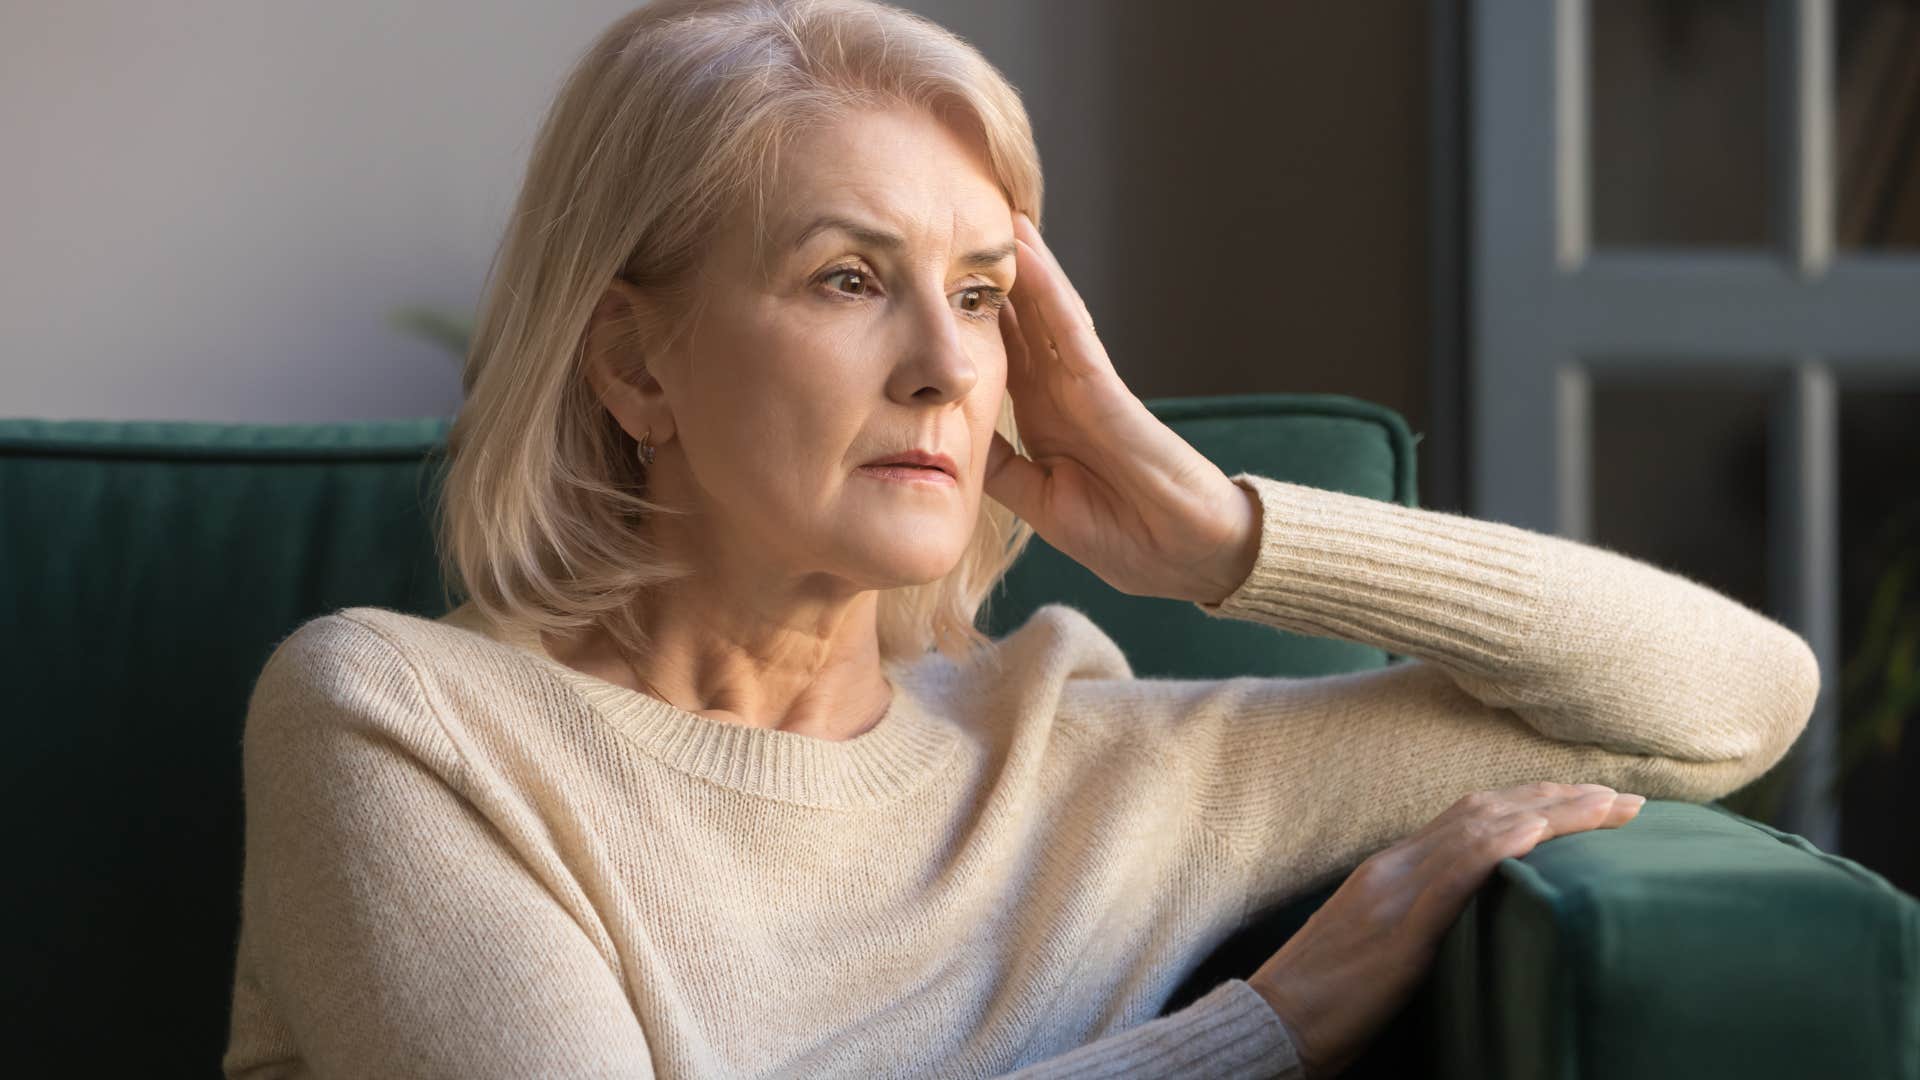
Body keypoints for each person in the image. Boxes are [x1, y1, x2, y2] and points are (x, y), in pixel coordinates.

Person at [220, 1, 1821, 1077]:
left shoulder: (1080, 757)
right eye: (850, 278)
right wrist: (1253, 1036)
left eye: (980, 293)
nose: (943, 362)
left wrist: (1220, 534)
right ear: (636, 362)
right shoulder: (398, 723)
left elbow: (1738, 697)